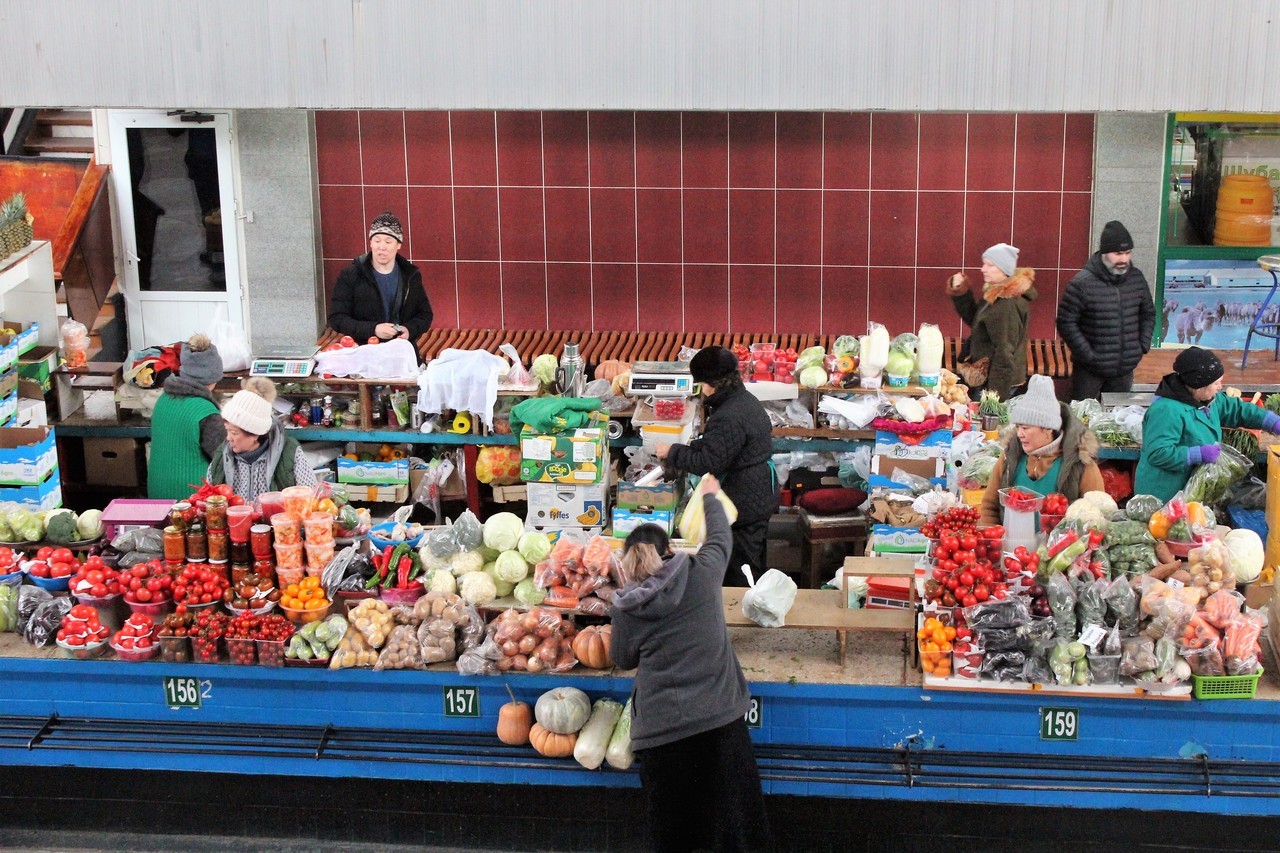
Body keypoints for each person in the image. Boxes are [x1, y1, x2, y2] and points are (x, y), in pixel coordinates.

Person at [611, 476, 773, 853]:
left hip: (662, 737)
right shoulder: (702, 574)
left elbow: (622, 659)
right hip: (719, 725)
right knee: (738, 831)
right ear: (669, 549)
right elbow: (721, 538)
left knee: (676, 837)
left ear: (628, 560)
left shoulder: (627, 606)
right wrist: (712, 498)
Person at [655, 346, 778, 586]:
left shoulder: (729, 416)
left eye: (701, 384)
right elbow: (720, 449)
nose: (702, 391)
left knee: (741, 571)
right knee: (751, 562)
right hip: (756, 495)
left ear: (712, 384)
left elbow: (708, 462)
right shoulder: (743, 401)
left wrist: (673, 451)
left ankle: (738, 616)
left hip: (743, 501)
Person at [1135, 347, 1280, 502]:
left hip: (1192, 489)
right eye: (1216, 383)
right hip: (1164, 493)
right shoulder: (1166, 410)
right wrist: (1196, 454)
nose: (1220, 387)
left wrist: (1272, 422)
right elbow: (1158, 453)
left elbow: (1237, 410)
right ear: (1199, 385)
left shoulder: (1207, 399)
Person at [979, 375, 1105, 526]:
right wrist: (992, 542)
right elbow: (989, 507)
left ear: (1048, 428)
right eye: (1018, 427)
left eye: (1025, 428)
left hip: (1059, 548)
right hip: (1012, 548)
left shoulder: (1080, 463)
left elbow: (1097, 518)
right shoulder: (1010, 456)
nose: (1019, 434)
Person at [1056, 220, 1156, 401]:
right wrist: (1088, 355)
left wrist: (1142, 344)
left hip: (1124, 369)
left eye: (1127, 253)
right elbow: (1065, 322)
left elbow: (1148, 313)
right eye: (1118, 254)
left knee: (1117, 421)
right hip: (1089, 371)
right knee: (1080, 420)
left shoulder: (1136, 279)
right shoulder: (1082, 283)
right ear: (1104, 253)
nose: (1124, 259)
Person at [945, 242, 1037, 399]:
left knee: (986, 422)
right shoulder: (996, 295)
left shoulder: (1006, 303)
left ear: (1004, 269)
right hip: (990, 378)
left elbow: (1004, 352)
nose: (983, 269)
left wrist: (995, 397)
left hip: (995, 383)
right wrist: (961, 292)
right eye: (984, 264)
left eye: (990, 265)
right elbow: (977, 321)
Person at [327, 212, 433, 344]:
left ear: (398, 245)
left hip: (401, 350)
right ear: (370, 242)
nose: (382, 247)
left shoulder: (410, 275)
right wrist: (373, 329)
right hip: (363, 351)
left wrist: (409, 330)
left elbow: (425, 314)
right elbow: (337, 318)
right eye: (377, 240)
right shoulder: (351, 274)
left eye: (388, 242)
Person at [208, 377, 316, 502]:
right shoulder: (221, 457)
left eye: (234, 433)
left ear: (255, 434)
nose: (228, 438)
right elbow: (211, 504)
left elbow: (310, 498)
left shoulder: (289, 453)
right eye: (227, 430)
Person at [147, 333, 225, 499]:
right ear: (214, 376)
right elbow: (223, 458)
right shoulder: (205, 412)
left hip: (157, 493)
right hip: (192, 498)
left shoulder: (163, 399)